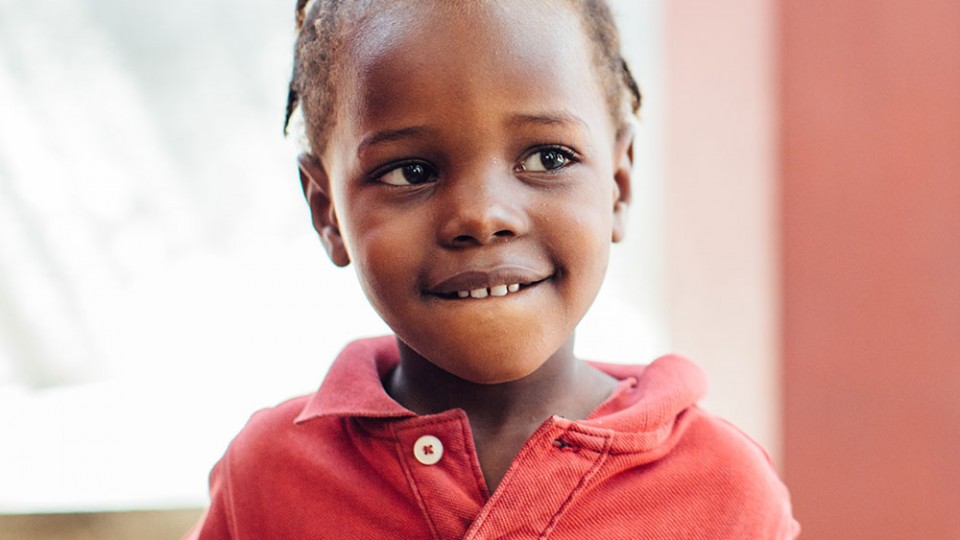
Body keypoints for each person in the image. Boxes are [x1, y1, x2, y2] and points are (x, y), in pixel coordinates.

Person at [185, 0, 799, 538]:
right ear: (327, 211)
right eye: (411, 171)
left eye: (547, 156)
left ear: (619, 182)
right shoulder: (268, 479)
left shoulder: (723, 491)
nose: (482, 216)